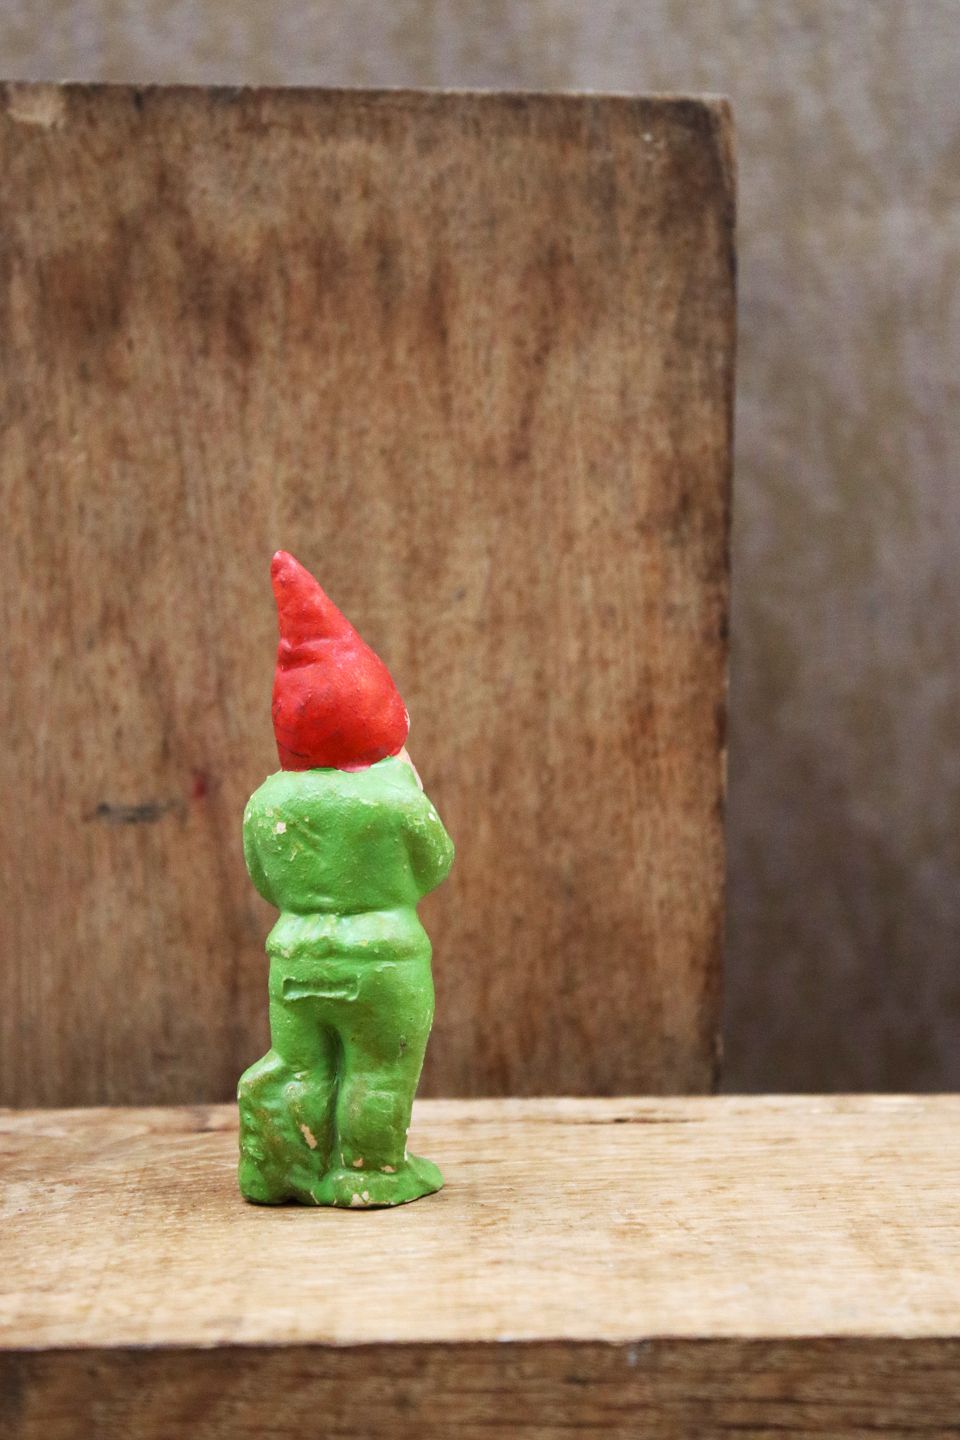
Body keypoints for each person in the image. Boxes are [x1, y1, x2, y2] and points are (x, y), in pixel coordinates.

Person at [238, 551, 454, 1207]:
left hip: (296, 957)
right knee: (378, 1067)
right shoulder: (394, 795)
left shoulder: (267, 801)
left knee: (302, 1064)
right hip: (382, 957)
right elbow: (435, 862)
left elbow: (263, 880)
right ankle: (368, 1171)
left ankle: (288, 1169)